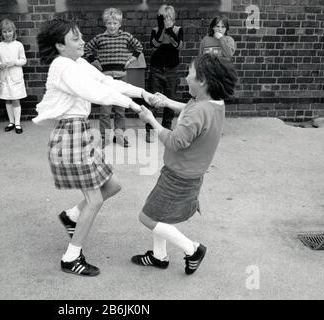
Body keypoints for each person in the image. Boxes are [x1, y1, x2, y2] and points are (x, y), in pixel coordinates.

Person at [34, 19, 153, 276]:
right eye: (75, 39)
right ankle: (71, 257)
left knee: (112, 186)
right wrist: (133, 107)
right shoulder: (62, 66)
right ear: (59, 46)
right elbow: (95, 93)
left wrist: (141, 94)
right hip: (70, 137)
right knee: (95, 199)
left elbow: (106, 82)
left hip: (80, 133)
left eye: (80, 37)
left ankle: (71, 217)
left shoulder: (76, 62)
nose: (82, 42)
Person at [133, 53, 237, 275]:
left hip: (178, 177)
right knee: (159, 214)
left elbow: (175, 141)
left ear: (202, 81)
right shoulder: (212, 103)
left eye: (189, 72)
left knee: (148, 217)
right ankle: (159, 256)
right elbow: (192, 110)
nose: (186, 76)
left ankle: (192, 249)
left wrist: (151, 120)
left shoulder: (198, 110)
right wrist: (167, 102)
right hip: (188, 174)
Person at [84, 7, 143, 148]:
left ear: (120, 24)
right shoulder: (100, 38)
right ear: (105, 23)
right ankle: (104, 137)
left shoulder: (126, 37)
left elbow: (139, 48)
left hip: (121, 78)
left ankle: (120, 136)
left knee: (120, 110)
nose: (112, 26)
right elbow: (87, 49)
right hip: (105, 80)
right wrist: (95, 62)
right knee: (105, 111)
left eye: (115, 23)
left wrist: (130, 61)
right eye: (109, 23)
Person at [145, 4, 183, 143]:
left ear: (173, 18)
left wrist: (170, 30)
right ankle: (150, 130)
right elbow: (154, 44)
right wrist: (162, 29)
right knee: (153, 100)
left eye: (168, 17)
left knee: (170, 100)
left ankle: (166, 128)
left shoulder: (178, 30)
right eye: (163, 17)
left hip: (172, 70)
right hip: (156, 69)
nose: (166, 20)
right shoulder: (156, 30)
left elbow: (179, 46)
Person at [0, 19, 27, 134]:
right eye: (4, 32)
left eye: (9, 31)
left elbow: (24, 60)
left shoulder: (18, 45)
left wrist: (14, 62)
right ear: (1, 33)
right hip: (4, 75)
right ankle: (11, 122)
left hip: (15, 76)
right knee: (7, 99)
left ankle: (17, 123)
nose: (7, 34)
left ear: (13, 31)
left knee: (15, 99)